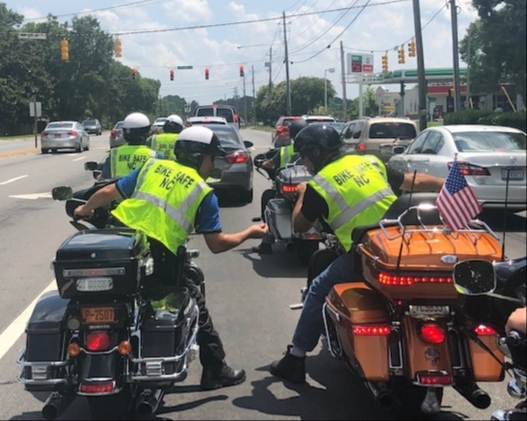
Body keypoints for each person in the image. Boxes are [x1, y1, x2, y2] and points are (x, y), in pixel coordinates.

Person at [75, 125, 268, 390]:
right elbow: (217, 244)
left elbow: (109, 192)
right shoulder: (203, 192)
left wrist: (84, 209)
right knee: (194, 303)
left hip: (120, 244)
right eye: (211, 158)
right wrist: (249, 233)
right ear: (200, 157)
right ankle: (215, 370)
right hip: (160, 259)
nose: (212, 164)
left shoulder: (152, 167)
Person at [269, 124, 446, 384]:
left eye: (304, 157)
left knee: (318, 288)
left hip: (367, 254)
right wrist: (449, 185)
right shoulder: (370, 162)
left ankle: (295, 358)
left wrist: (303, 193)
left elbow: (299, 225)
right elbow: (414, 181)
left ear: (317, 153)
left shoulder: (320, 184)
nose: (303, 164)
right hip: (404, 245)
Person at [251, 118, 309, 255]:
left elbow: (270, 164)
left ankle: (266, 242)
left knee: (268, 198)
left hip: (288, 190)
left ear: (292, 134)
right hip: (311, 188)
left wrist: (262, 164)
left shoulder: (285, 150)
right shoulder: (314, 150)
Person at [99, 112, 160, 180]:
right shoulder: (155, 156)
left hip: (117, 187)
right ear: (147, 134)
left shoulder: (114, 154)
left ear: (125, 134)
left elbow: (102, 179)